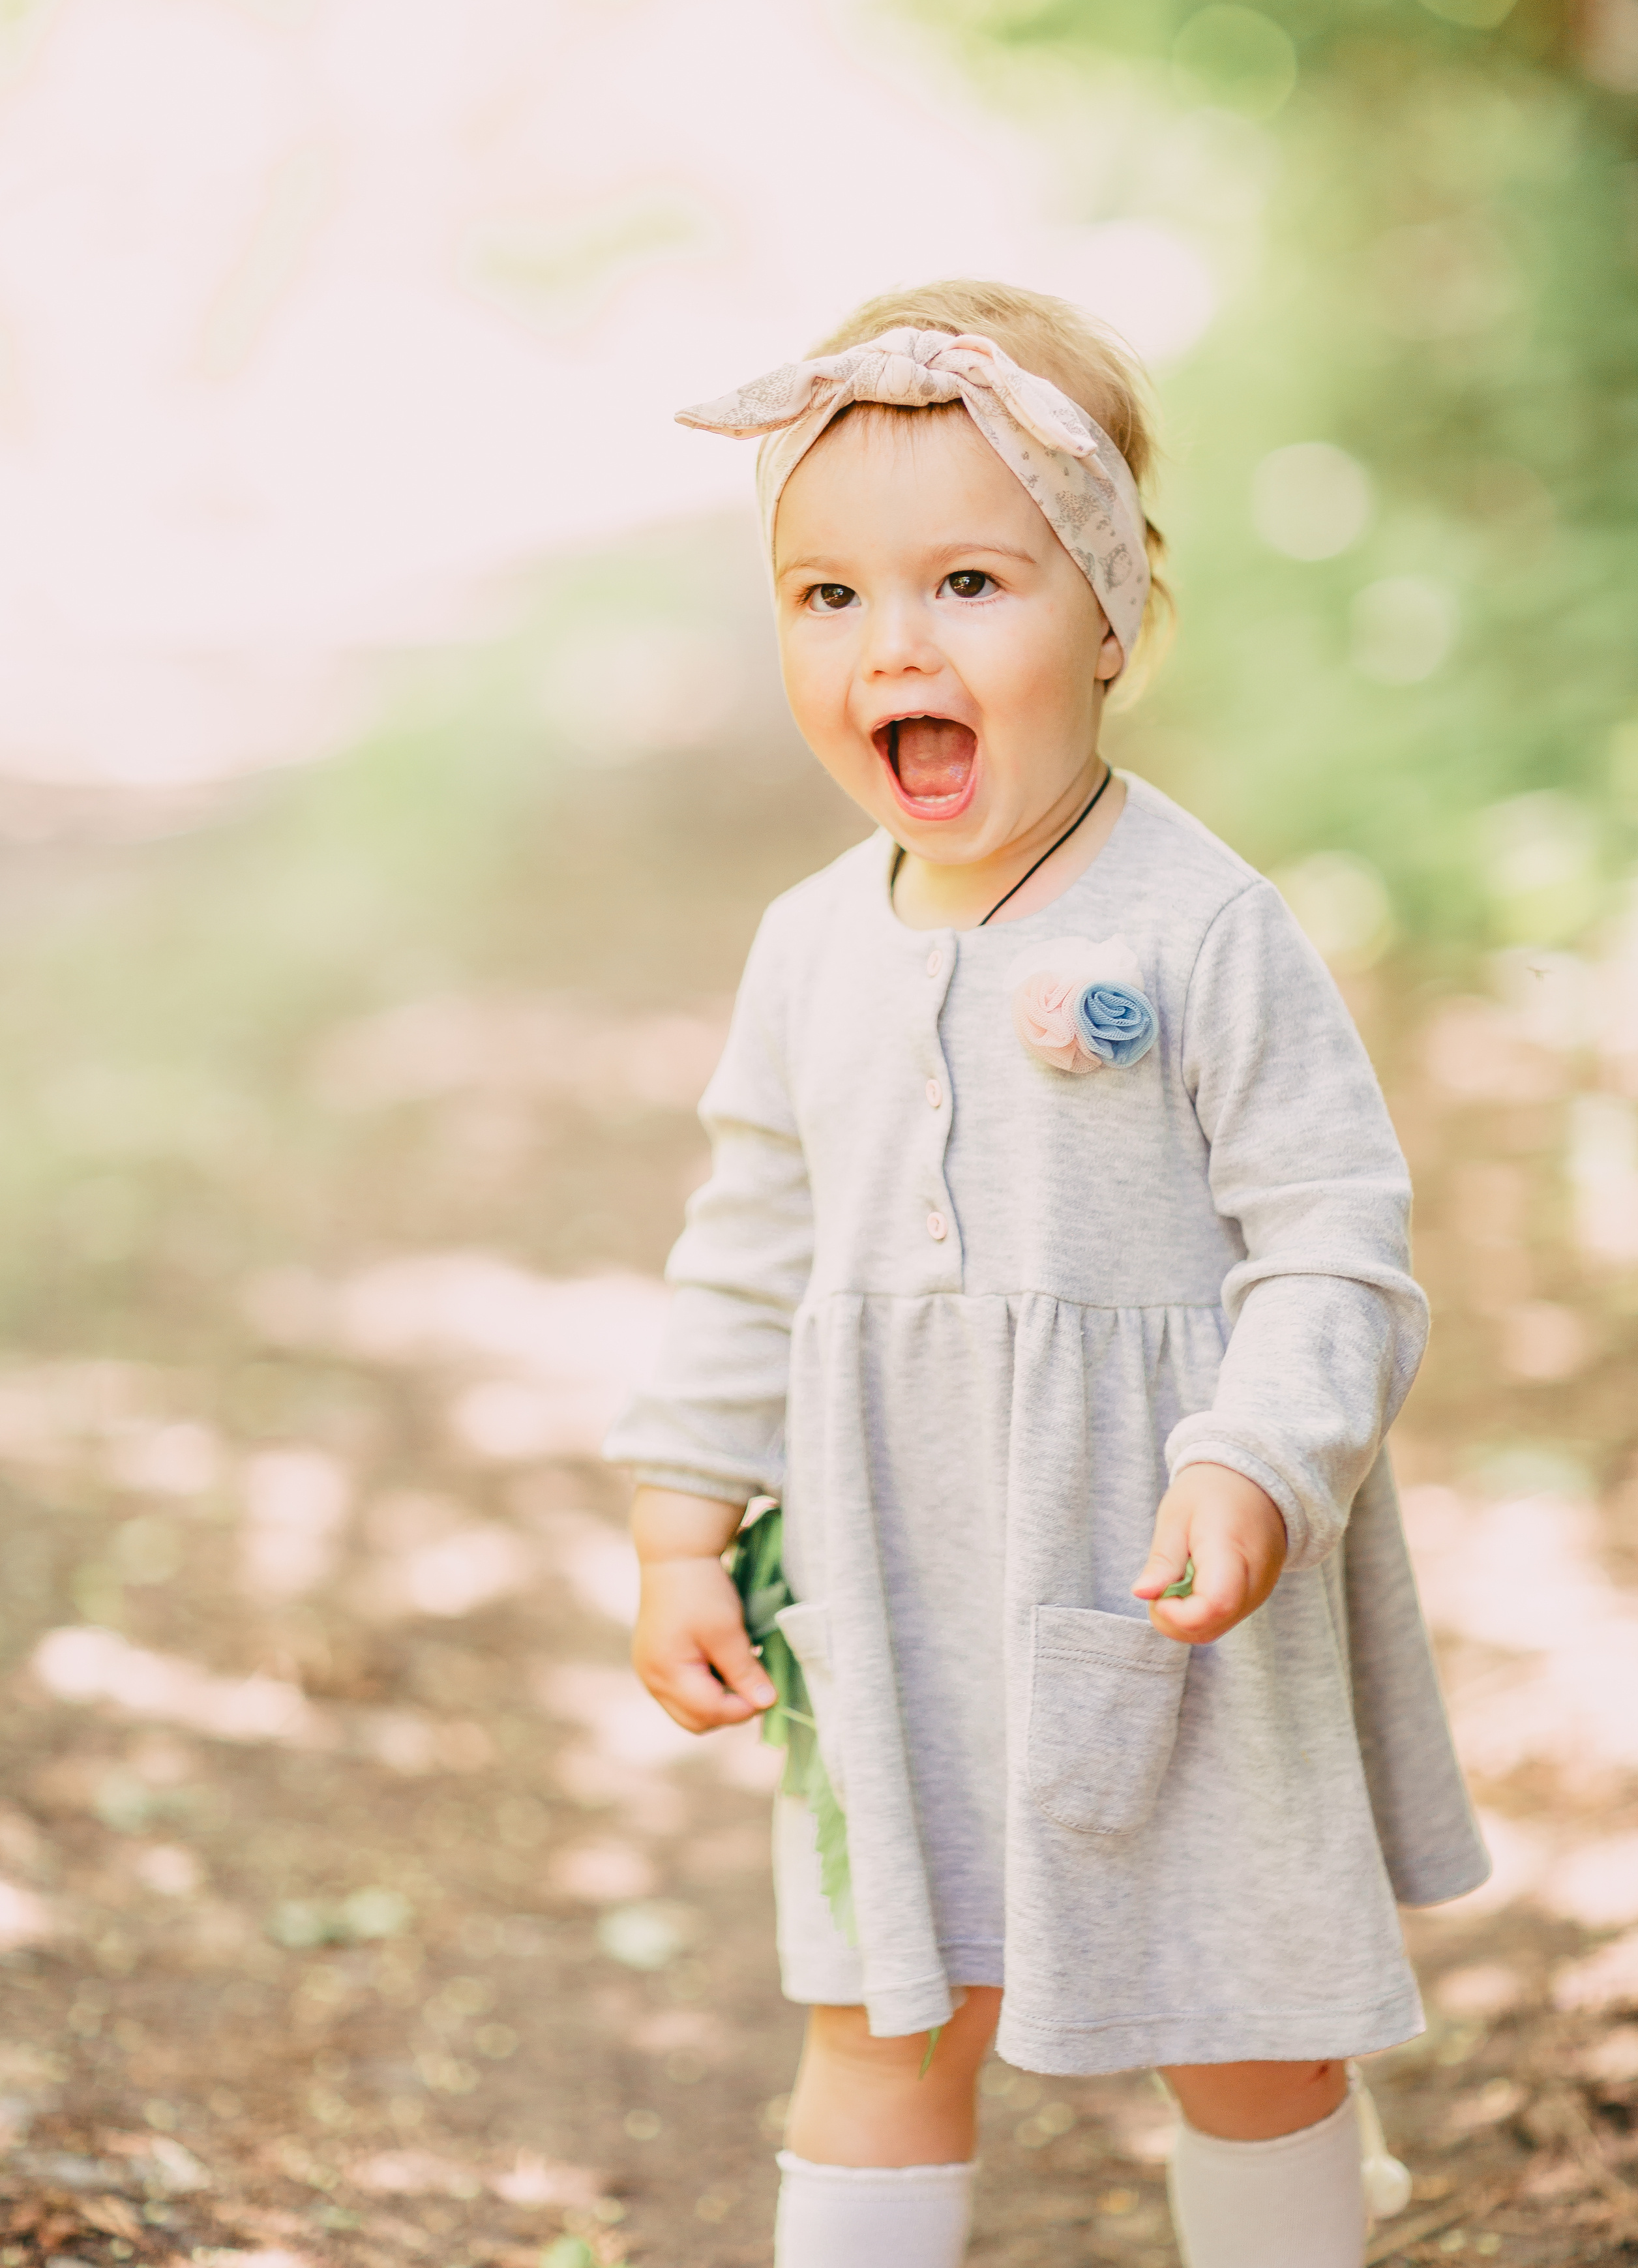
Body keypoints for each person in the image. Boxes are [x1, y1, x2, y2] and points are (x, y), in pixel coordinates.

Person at [605, 279, 1488, 2268]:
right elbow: (746, 1242)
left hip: (1170, 1574)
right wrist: (682, 1520)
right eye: (825, 599)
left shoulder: (1203, 926)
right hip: (889, 1573)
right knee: (883, 2008)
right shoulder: (809, 949)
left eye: (968, 582)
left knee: (1248, 2022)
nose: (892, 643)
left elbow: (1337, 1239)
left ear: (1109, 615)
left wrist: (1260, 1457)